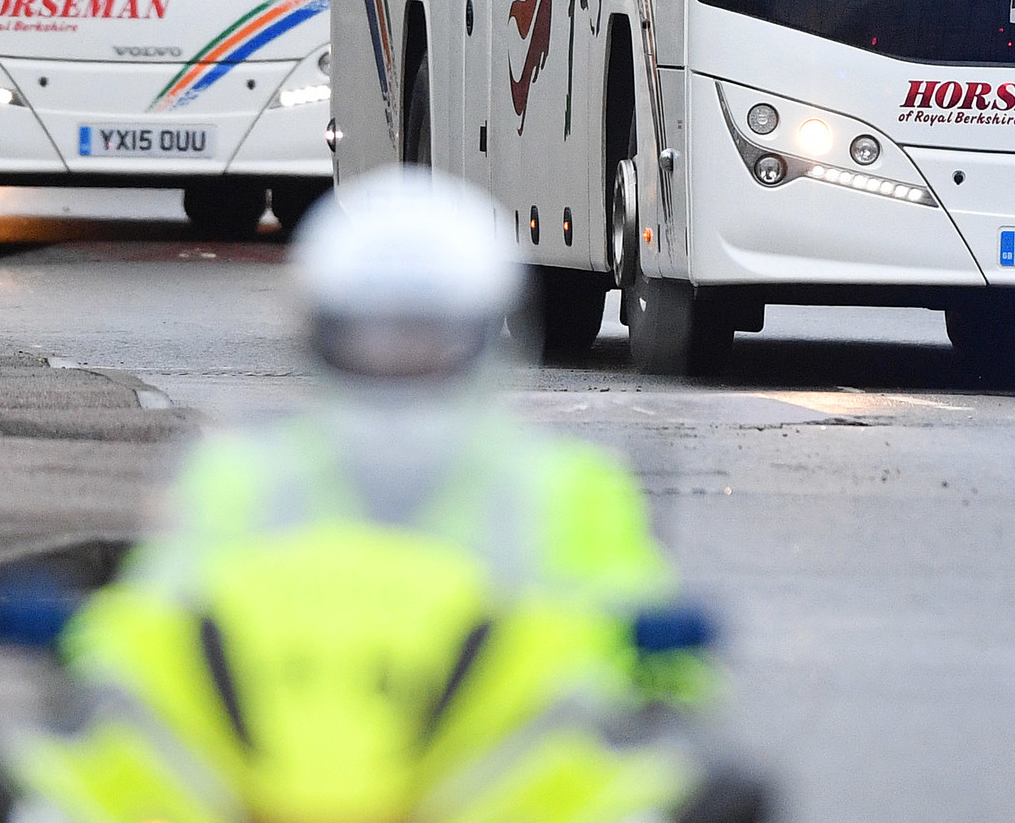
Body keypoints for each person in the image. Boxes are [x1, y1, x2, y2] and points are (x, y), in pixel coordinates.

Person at [102, 166, 677, 616]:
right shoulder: (233, 483)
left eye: (428, 339)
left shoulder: (576, 496)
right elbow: (147, 636)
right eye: (369, 337)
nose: (398, 363)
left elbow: (656, 678)